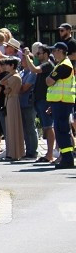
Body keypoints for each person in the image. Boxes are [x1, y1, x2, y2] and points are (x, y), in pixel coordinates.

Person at [45, 41, 76, 169]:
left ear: (60, 51)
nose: (53, 53)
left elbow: (49, 81)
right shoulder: (62, 64)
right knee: (62, 130)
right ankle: (67, 157)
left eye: (54, 50)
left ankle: (68, 159)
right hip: (60, 102)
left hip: (62, 102)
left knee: (62, 131)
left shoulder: (64, 65)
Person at [24, 43, 55, 163]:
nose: (37, 55)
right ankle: (48, 153)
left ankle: (50, 154)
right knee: (46, 127)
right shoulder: (43, 64)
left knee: (48, 126)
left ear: (46, 54)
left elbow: (34, 69)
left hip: (45, 100)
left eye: (39, 53)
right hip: (39, 99)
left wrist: (27, 56)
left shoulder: (47, 64)